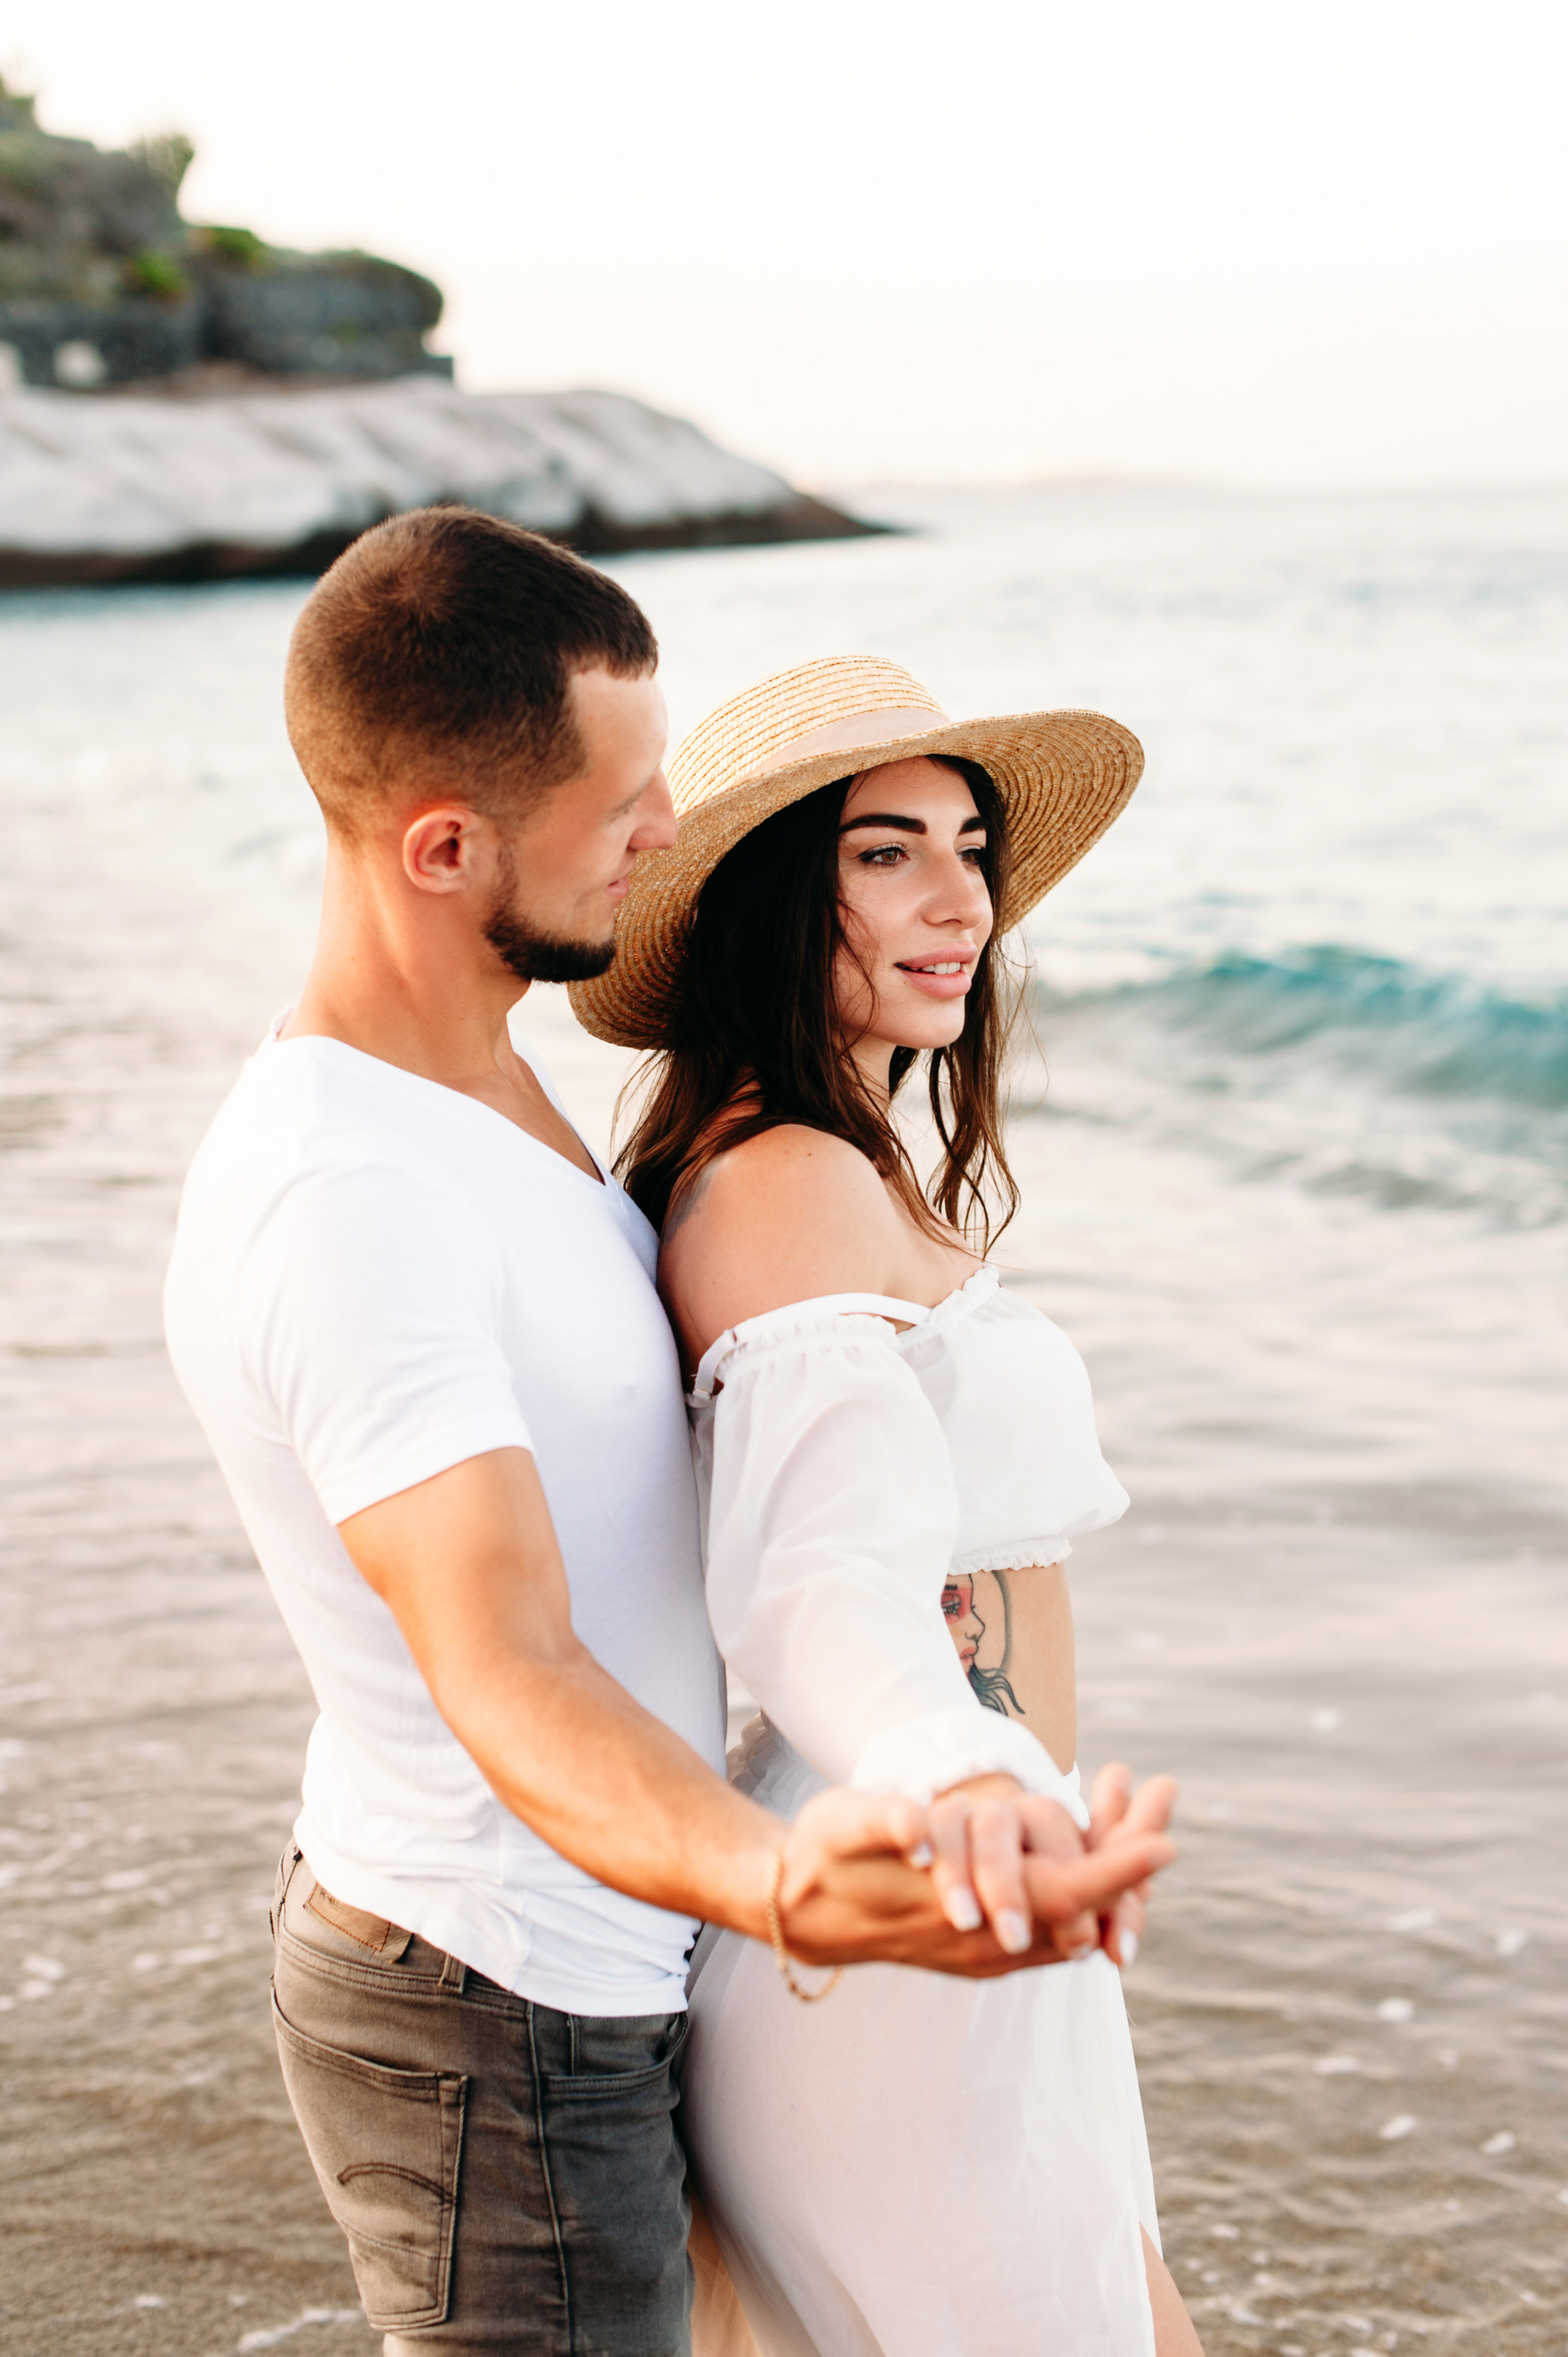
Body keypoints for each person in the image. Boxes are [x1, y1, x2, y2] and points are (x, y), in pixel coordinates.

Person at [163, 515, 1176, 2357]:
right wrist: (805, 1864)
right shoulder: (347, 1194)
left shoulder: (489, 1094)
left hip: (609, 1944)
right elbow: (513, 1663)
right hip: (503, 1981)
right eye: (629, 801)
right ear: (447, 848)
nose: (665, 836)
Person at [581, 656, 1204, 2355]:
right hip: (924, 1883)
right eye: (885, 852)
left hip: (977, 1873)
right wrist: (976, 1779)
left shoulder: (834, 1161)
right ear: (781, 893)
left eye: (971, 844)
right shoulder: (786, 1178)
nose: (961, 902)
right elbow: (818, 1590)